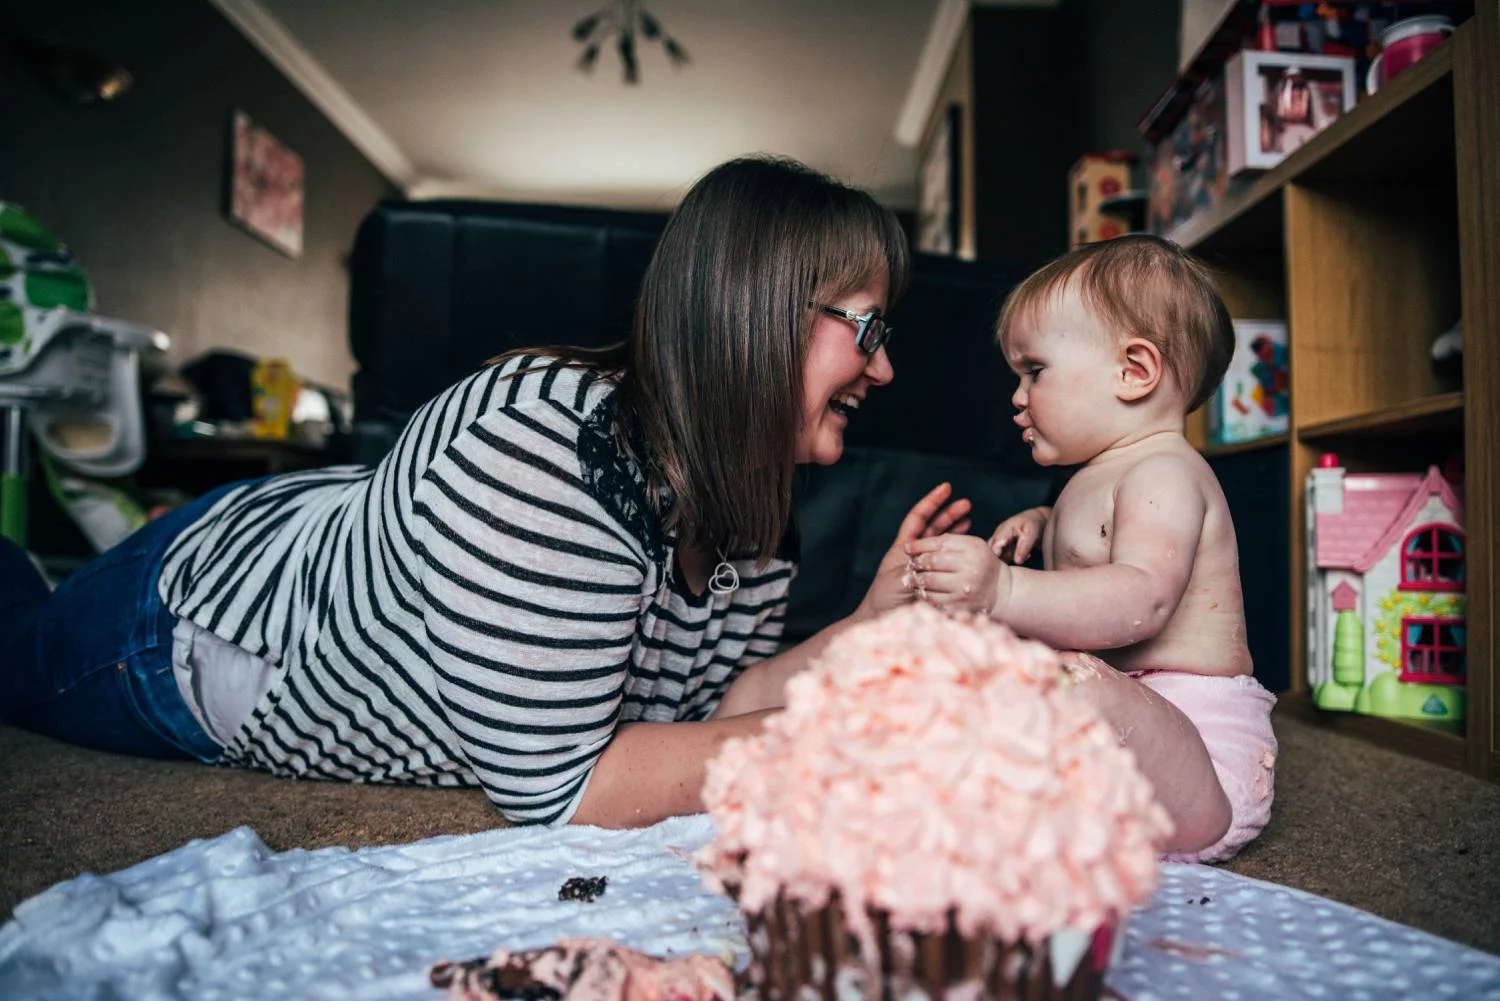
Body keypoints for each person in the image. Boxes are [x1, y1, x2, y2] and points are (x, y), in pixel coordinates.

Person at [0, 155, 970, 830]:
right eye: (870, 330)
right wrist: (864, 731)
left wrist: (868, 634)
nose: (881, 372)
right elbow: (569, 789)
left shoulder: (758, 501)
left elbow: (716, 705)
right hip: (188, 624)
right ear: (759, 309)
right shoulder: (547, 451)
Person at [902, 234, 1277, 863]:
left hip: (1201, 762)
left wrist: (1004, 591)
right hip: (1121, 745)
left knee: (1067, 681)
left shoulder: (1166, 474)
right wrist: (1046, 522)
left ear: (1133, 372)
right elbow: (1101, 538)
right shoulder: (1101, 476)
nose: (1017, 398)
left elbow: (1141, 599)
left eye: (1034, 371)